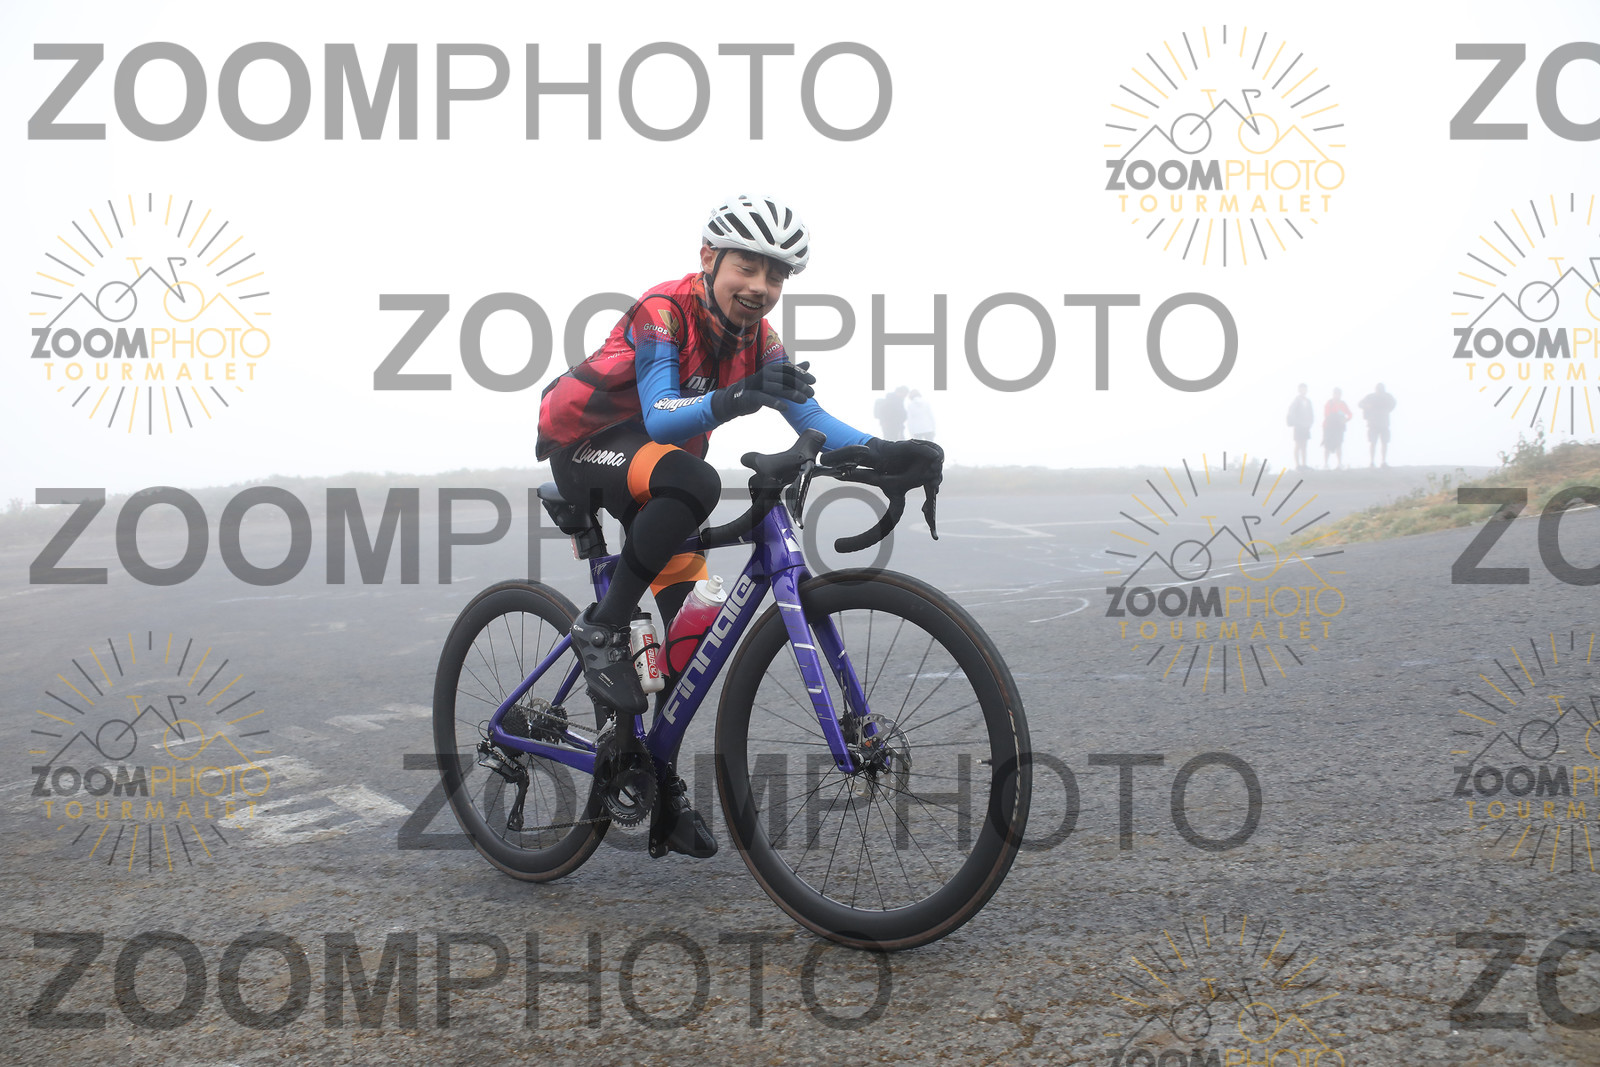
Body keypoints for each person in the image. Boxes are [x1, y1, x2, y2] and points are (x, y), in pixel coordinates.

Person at [535, 195, 942, 856]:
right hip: (586, 445)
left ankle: (653, 776)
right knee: (694, 482)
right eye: (747, 267)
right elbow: (662, 414)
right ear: (708, 259)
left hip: (654, 472)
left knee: (692, 635)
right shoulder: (663, 312)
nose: (760, 286)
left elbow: (812, 419)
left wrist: (888, 452)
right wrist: (739, 396)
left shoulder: (761, 341)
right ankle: (601, 627)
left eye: (775, 275)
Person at [1359, 383, 1397, 468]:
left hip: (1379, 423)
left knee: (1379, 443)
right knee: (1377, 443)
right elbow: (1360, 404)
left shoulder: (1378, 397)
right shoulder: (1384, 397)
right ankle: (1377, 461)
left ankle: (1377, 462)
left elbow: (1394, 403)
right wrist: (1367, 406)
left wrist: (1366, 406)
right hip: (1378, 423)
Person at [1322, 388, 1353, 470]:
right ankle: (1326, 464)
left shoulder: (1343, 404)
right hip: (1328, 427)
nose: (1337, 396)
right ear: (1333, 394)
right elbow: (1326, 415)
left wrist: (1346, 420)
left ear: (1340, 395)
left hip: (1339, 428)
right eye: (1335, 394)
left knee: (1339, 444)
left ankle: (1339, 464)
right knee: (1327, 445)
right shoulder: (1329, 403)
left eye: (1339, 394)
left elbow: (1350, 414)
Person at [1286, 384, 1313, 470]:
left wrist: (1310, 423)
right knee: (1298, 445)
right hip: (1298, 426)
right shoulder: (1296, 400)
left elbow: (1311, 413)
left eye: (1305, 389)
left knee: (1304, 445)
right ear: (1299, 390)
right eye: (1302, 389)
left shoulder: (1308, 401)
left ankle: (1304, 464)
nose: (1303, 391)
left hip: (1306, 426)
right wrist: (1295, 422)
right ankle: (1298, 465)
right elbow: (1291, 411)